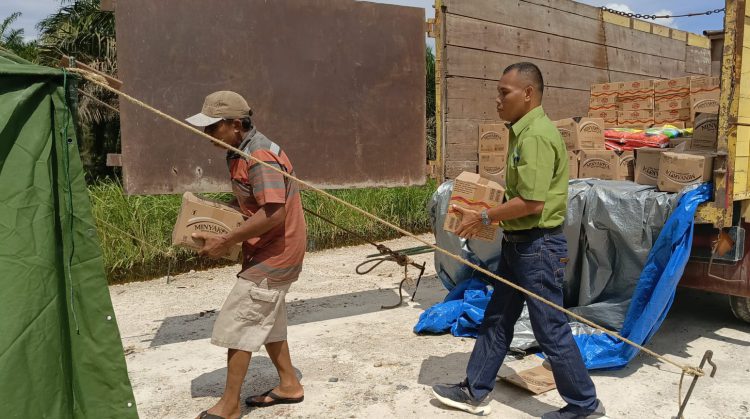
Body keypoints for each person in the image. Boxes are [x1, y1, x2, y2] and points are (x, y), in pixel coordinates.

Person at [431, 63, 605, 419]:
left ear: (528, 93)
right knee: (497, 317)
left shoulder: (537, 135)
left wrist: (481, 216)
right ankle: (474, 389)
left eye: (504, 92)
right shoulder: (522, 132)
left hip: (537, 247)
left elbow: (532, 202)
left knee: (550, 329)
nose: (497, 100)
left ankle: (584, 404)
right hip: (520, 244)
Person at [186, 91, 306, 419]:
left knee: (240, 320)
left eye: (213, 127)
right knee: (267, 319)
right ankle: (289, 385)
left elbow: (274, 214)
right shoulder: (236, 151)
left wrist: (225, 240)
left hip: (277, 251)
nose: (207, 134)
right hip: (265, 248)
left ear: (236, 125)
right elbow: (250, 207)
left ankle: (230, 405)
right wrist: (213, 221)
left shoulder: (260, 155)